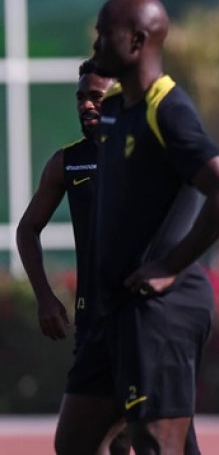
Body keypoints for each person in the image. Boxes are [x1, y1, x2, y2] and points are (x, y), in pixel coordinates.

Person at [90, 0, 219, 454]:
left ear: (137, 41)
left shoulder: (167, 109)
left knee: (157, 443)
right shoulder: (115, 110)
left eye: (105, 34)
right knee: (79, 437)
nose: (96, 44)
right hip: (117, 309)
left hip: (160, 310)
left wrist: (170, 265)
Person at [16, 59, 131, 455]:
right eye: (80, 97)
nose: (86, 105)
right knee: (84, 440)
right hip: (92, 321)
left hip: (143, 319)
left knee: (148, 436)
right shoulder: (66, 161)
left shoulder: (148, 154)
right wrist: (45, 297)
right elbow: (27, 229)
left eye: (96, 96)